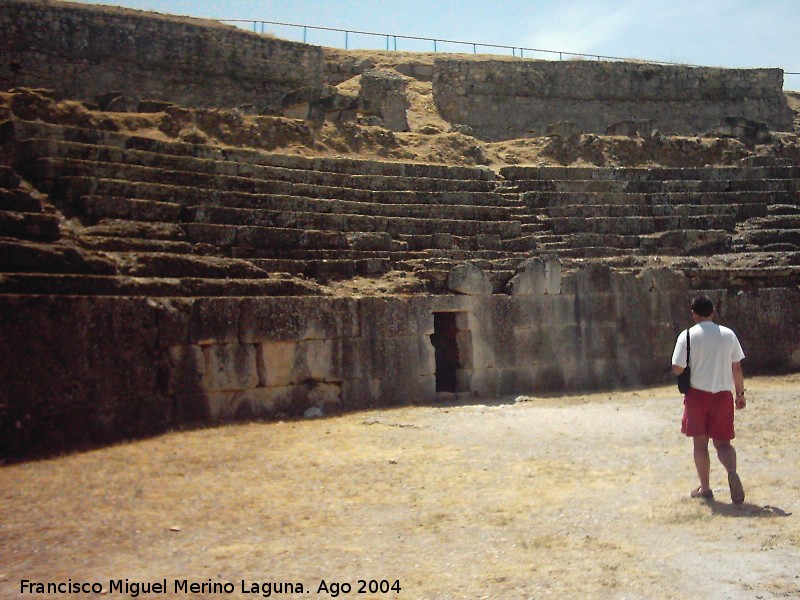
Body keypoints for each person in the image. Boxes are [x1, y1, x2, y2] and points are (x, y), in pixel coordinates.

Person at [671, 294, 747, 504]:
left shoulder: (686, 336)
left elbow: (678, 368)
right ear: (713, 312)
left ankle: (705, 488)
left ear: (693, 314)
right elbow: (737, 368)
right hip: (722, 395)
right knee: (723, 443)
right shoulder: (728, 335)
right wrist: (740, 394)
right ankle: (731, 471)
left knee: (700, 444)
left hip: (697, 395)